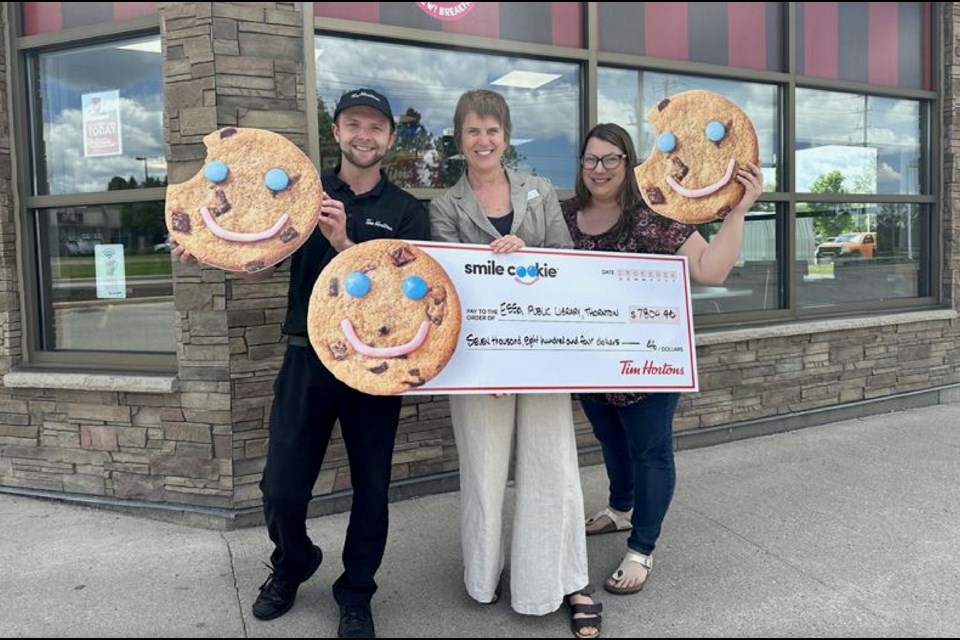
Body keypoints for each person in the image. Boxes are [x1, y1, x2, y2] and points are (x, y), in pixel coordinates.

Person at [175, 88, 429, 638]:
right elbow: (261, 257)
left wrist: (344, 240)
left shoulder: (408, 210)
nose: (364, 135)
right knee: (281, 489)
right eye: (353, 124)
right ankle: (293, 561)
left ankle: (357, 593)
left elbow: (407, 295)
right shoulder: (303, 191)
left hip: (376, 367)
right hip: (306, 357)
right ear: (336, 133)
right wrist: (211, 248)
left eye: (375, 127)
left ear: (389, 138)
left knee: (371, 489)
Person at [429, 89, 601, 639]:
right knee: (482, 472)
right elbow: (450, 287)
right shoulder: (444, 205)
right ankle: (484, 575)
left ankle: (560, 578)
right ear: (459, 140)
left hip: (542, 357)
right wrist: (490, 366)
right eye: (473, 131)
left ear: (507, 136)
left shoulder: (539, 191)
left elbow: (566, 261)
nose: (484, 140)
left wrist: (530, 254)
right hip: (478, 365)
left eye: (493, 130)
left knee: (553, 468)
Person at [561, 123, 761, 596]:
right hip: (589, 363)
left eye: (611, 158)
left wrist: (739, 211)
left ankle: (641, 546)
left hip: (648, 364)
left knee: (650, 451)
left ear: (628, 164)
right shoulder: (564, 217)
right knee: (610, 440)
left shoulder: (655, 216)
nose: (600, 168)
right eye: (591, 159)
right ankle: (620, 508)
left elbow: (711, 269)